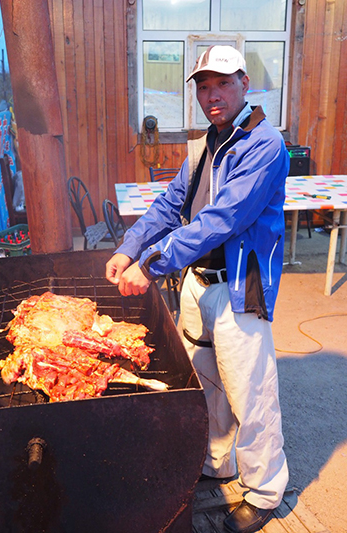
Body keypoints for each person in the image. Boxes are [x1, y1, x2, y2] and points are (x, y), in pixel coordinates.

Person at [106, 45, 289, 533]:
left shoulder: (264, 144)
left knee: (250, 391)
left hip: (239, 287)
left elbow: (222, 219)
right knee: (207, 381)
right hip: (197, 284)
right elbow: (170, 206)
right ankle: (218, 463)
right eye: (203, 87)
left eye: (223, 84)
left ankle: (267, 489)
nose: (213, 95)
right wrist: (130, 247)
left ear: (244, 84)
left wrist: (153, 263)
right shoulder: (205, 144)